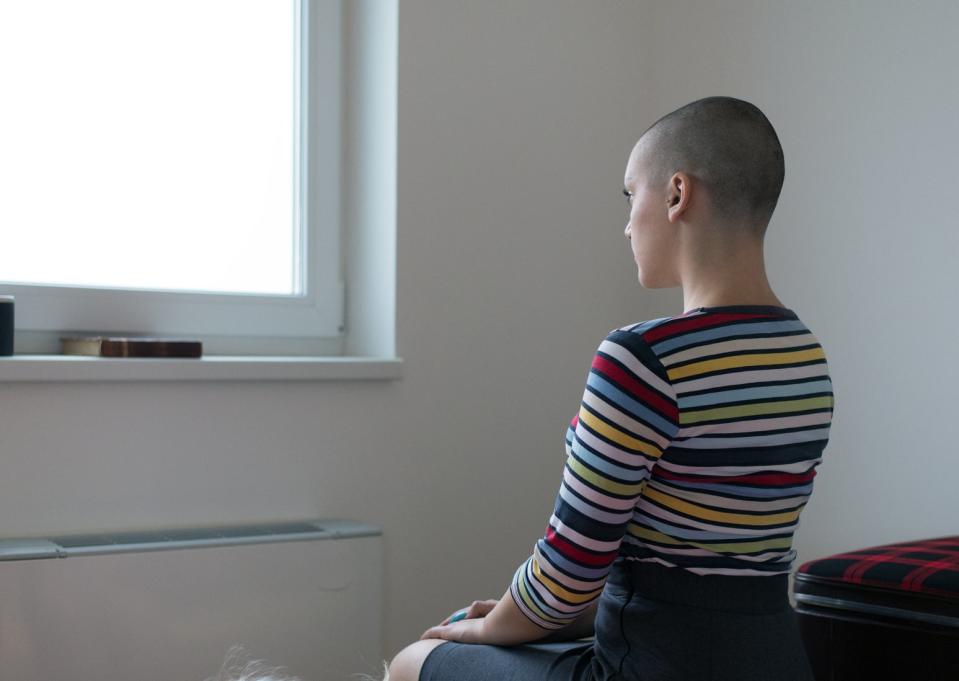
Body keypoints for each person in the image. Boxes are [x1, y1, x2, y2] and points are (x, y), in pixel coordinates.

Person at [388, 96, 835, 681]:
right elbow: (711, 565)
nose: (627, 224)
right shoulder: (805, 355)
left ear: (677, 194)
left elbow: (567, 576)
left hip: (652, 667)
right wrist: (525, 618)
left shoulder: (643, 358)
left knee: (412, 661)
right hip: (773, 659)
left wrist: (476, 629)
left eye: (631, 196)